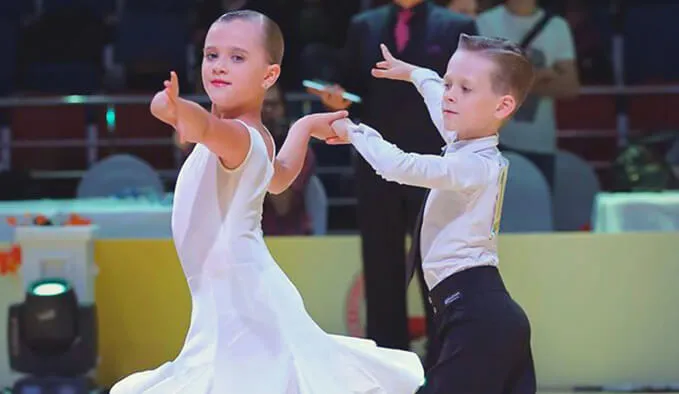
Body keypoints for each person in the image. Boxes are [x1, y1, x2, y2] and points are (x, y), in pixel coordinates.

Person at [110, 10, 424, 394]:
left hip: (243, 302)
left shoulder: (235, 137)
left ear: (270, 75)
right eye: (212, 55)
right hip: (240, 294)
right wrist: (306, 127)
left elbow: (201, 127)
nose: (220, 66)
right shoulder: (257, 135)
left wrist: (175, 110)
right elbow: (279, 178)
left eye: (237, 57)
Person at [326, 34, 537, 393]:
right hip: (483, 315)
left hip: (477, 316)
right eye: (449, 81)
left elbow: (399, 166)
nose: (451, 94)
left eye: (465, 89)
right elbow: (435, 94)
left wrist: (352, 131)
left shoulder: (475, 166)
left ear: (502, 107)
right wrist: (414, 73)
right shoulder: (463, 142)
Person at [308, 0, 477, 366]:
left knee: (439, 265)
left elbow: (471, 90)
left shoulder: (454, 27)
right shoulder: (363, 26)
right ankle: (388, 366)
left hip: (437, 167)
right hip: (377, 166)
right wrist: (337, 98)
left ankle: (445, 364)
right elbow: (351, 89)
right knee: (380, 266)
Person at [476, 0, 580, 192]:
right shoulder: (485, 22)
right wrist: (543, 75)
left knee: (538, 214)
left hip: (540, 144)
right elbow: (484, 83)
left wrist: (513, 81)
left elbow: (569, 86)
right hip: (494, 144)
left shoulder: (557, 27)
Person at [261, 84, 316, 235]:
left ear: (283, 108)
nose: (266, 111)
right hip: (243, 240)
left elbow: (282, 204)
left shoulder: (299, 148)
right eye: (260, 105)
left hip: (288, 238)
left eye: (272, 105)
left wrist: (261, 145)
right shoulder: (238, 143)